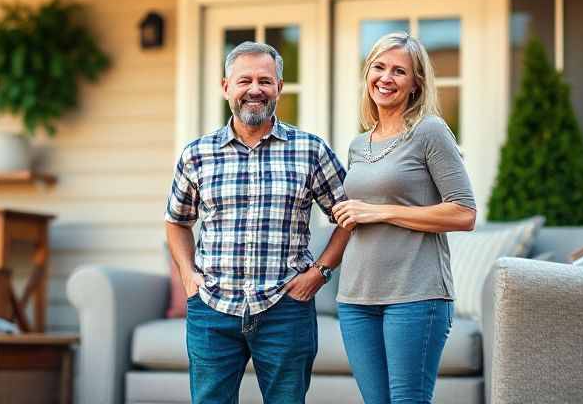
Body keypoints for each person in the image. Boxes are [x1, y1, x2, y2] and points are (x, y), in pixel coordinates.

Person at [165, 41, 352, 404]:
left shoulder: (310, 150)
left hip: (285, 308)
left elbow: (347, 215)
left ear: (279, 88)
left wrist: (319, 272)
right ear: (226, 88)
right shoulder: (197, 154)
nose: (255, 89)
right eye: (244, 80)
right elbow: (177, 222)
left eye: (265, 81)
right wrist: (188, 276)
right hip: (212, 309)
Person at [332, 32, 476, 404]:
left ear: (416, 84)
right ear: (367, 75)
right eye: (379, 67)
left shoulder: (430, 132)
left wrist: (380, 211)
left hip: (417, 294)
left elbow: (464, 213)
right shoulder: (357, 145)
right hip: (356, 298)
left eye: (399, 71)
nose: (386, 78)